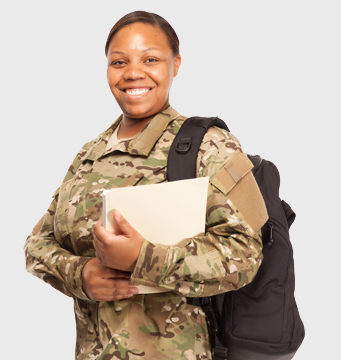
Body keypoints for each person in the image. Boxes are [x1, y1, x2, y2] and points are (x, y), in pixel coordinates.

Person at [24, 10, 268, 360]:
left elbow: (245, 255)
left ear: (176, 64)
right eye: (119, 61)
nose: (133, 73)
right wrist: (81, 275)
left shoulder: (209, 145)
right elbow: (37, 245)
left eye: (150, 59)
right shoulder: (90, 153)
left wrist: (143, 258)